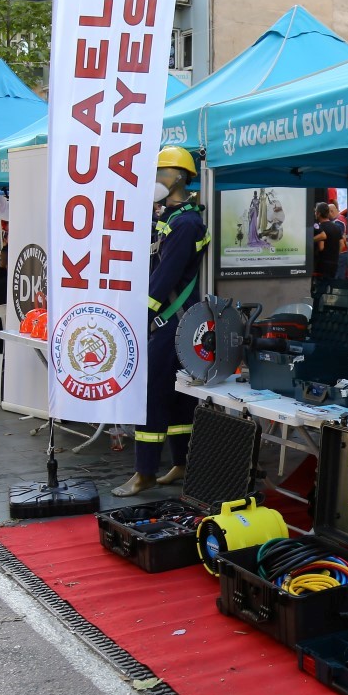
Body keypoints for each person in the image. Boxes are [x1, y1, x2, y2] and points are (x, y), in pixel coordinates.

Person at [114, 145, 210, 497]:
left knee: (153, 394)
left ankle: (145, 472)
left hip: (170, 321)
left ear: (180, 177)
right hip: (170, 322)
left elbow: (164, 279)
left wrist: (141, 317)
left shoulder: (185, 223)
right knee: (175, 395)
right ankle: (180, 464)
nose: (154, 179)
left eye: (160, 173)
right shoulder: (169, 218)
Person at [312, 201, 343, 286]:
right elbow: (342, 244)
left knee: (321, 288)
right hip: (334, 263)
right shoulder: (336, 227)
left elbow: (321, 247)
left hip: (323, 264)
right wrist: (336, 255)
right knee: (330, 287)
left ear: (318, 214)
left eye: (315, 212)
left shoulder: (320, 228)